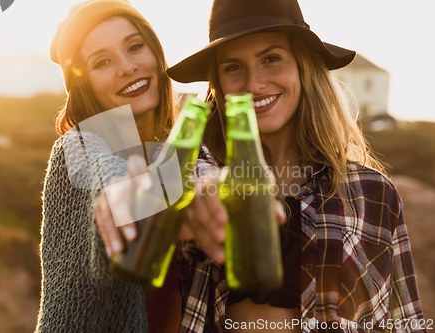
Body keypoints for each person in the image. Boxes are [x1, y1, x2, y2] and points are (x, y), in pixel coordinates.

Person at [165, 0, 426, 332]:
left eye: (271, 59)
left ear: (304, 66)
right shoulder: (193, 168)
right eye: (233, 67)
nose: (254, 84)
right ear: (217, 84)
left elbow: (406, 321)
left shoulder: (374, 193)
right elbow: (171, 185)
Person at [34, 0, 180, 332]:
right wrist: (122, 190)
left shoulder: (180, 148)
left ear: (156, 52)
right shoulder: (78, 146)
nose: (127, 67)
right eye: (103, 62)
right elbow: (103, 174)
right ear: (83, 84)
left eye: (135, 47)